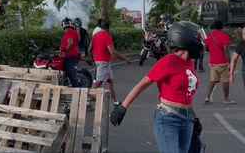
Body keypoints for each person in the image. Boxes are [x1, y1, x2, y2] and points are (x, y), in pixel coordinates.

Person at [110, 21, 203, 153]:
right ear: (185, 38)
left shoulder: (189, 62)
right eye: (198, 37)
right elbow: (142, 85)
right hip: (168, 118)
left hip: (187, 119)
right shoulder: (168, 62)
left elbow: (186, 94)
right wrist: (122, 108)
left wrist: (196, 118)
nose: (201, 41)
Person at [88, 19, 130, 104]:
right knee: (98, 82)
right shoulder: (107, 36)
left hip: (100, 61)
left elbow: (89, 50)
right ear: (108, 28)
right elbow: (112, 52)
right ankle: (87, 99)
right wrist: (124, 58)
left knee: (110, 82)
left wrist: (93, 60)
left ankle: (115, 101)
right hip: (104, 62)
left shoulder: (95, 36)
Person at [204, 20, 234, 105]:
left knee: (212, 80)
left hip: (213, 62)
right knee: (225, 80)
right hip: (223, 61)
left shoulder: (209, 36)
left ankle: (207, 97)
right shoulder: (224, 36)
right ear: (221, 27)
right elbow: (226, 50)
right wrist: (229, 61)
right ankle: (226, 99)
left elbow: (206, 47)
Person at [59, 17, 80, 87]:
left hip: (69, 54)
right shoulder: (75, 31)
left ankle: (76, 88)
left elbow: (70, 43)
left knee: (70, 72)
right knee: (67, 70)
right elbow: (78, 41)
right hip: (74, 53)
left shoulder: (68, 32)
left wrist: (64, 49)